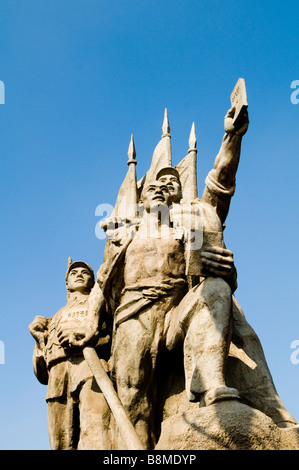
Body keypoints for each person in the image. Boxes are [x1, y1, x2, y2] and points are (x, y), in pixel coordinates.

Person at [29, 260, 112, 450]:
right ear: (67, 283)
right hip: (58, 375)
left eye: (85, 272)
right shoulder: (55, 316)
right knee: (59, 438)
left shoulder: (100, 306)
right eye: (74, 273)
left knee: (94, 426)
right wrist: (39, 340)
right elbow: (42, 372)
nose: (79, 274)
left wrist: (88, 339)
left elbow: (113, 335)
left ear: (92, 281)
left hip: (89, 365)